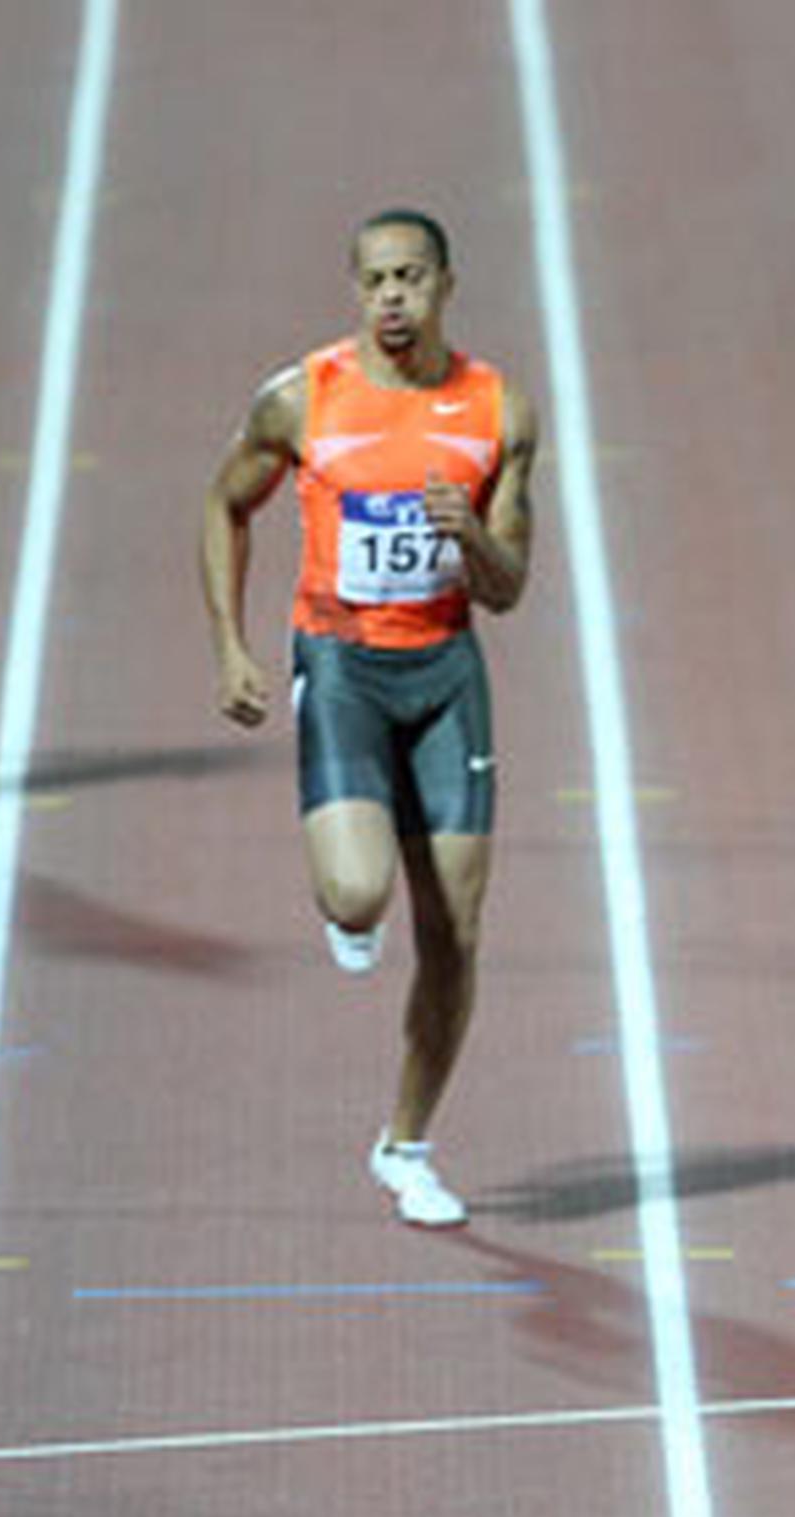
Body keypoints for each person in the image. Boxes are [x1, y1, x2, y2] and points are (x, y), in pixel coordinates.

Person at [199, 210, 536, 1227]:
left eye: (412, 278)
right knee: (357, 899)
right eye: (376, 280)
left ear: (446, 285)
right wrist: (229, 642)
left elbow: (511, 586)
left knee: (457, 932)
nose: (393, 298)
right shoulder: (302, 398)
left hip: (444, 671)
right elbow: (222, 506)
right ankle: (347, 896)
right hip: (342, 663)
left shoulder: (497, 408)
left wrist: (470, 533)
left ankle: (407, 1145)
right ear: (357, 290)